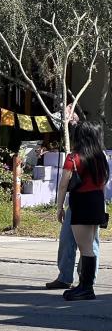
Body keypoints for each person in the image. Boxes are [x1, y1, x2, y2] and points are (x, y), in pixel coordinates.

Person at [54, 122, 109, 301]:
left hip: (81, 202)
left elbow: (63, 185)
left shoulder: (74, 157)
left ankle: (86, 288)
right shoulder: (101, 157)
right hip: (97, 201)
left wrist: (59, 206)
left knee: (85, 248)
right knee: (91, 245)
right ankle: (86, 285)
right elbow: (103, 183)